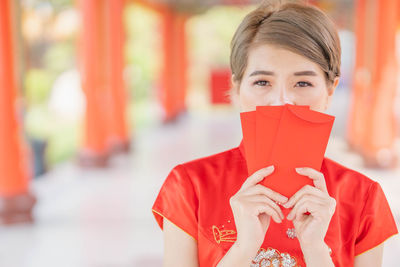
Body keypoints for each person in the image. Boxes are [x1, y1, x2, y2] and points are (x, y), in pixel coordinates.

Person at [152, 1, 399, 266]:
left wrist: (316, 249)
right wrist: (244, 247)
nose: (283, 101)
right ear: (236, 89)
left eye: (303, 82)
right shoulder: (189, 186)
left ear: (330, 90)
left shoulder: (363, 197)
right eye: (262, 82)